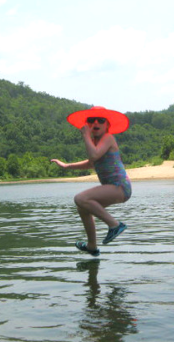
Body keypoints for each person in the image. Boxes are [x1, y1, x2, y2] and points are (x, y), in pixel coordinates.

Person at [51, 106, 132, 257]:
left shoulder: (108, 138)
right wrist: (66, 166)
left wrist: (85, 136)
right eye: (91, 120)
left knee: (80, 198)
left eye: (101, 120)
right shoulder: (95, 143)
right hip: (112, 187)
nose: (96, 122)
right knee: (83, 207)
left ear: (107, 125)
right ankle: (92, 246)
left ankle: (115, 225)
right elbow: (90, 163)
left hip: (120, 187)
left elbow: (93, 156)